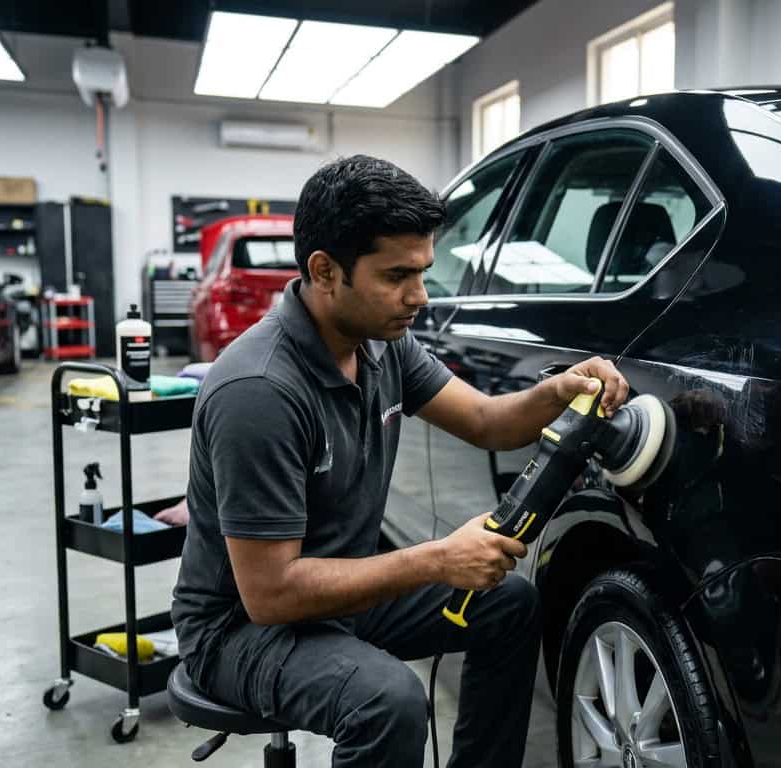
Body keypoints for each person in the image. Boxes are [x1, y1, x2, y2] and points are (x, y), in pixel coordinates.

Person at [170, 155, 630, 768]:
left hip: (337, 597)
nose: (419, 297)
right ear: (325, 271)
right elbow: (271, 594)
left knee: (509, 603)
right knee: (388, 701)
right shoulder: (258, 391)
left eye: (422, 272)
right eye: (396, 276)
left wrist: (554, 392)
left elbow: (488, 422)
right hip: (239, 630)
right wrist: (439, 559)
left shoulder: (384, 347)